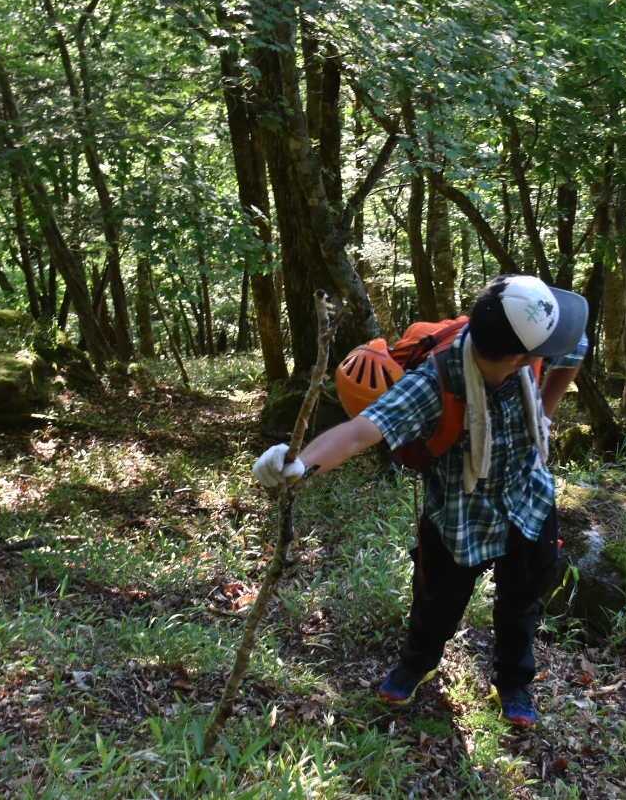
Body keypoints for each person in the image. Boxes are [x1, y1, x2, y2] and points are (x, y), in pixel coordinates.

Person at [252, 274, 588, 728]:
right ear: (517, 357)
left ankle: (513, 682)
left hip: (528, 501)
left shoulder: (534, 346)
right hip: (457, 515)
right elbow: (361, 431)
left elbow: (576, 347)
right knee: (436, 601)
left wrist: (543, 412)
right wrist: (299, 463)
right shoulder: (435, 381)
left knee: (521, 601)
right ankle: (417, 663)